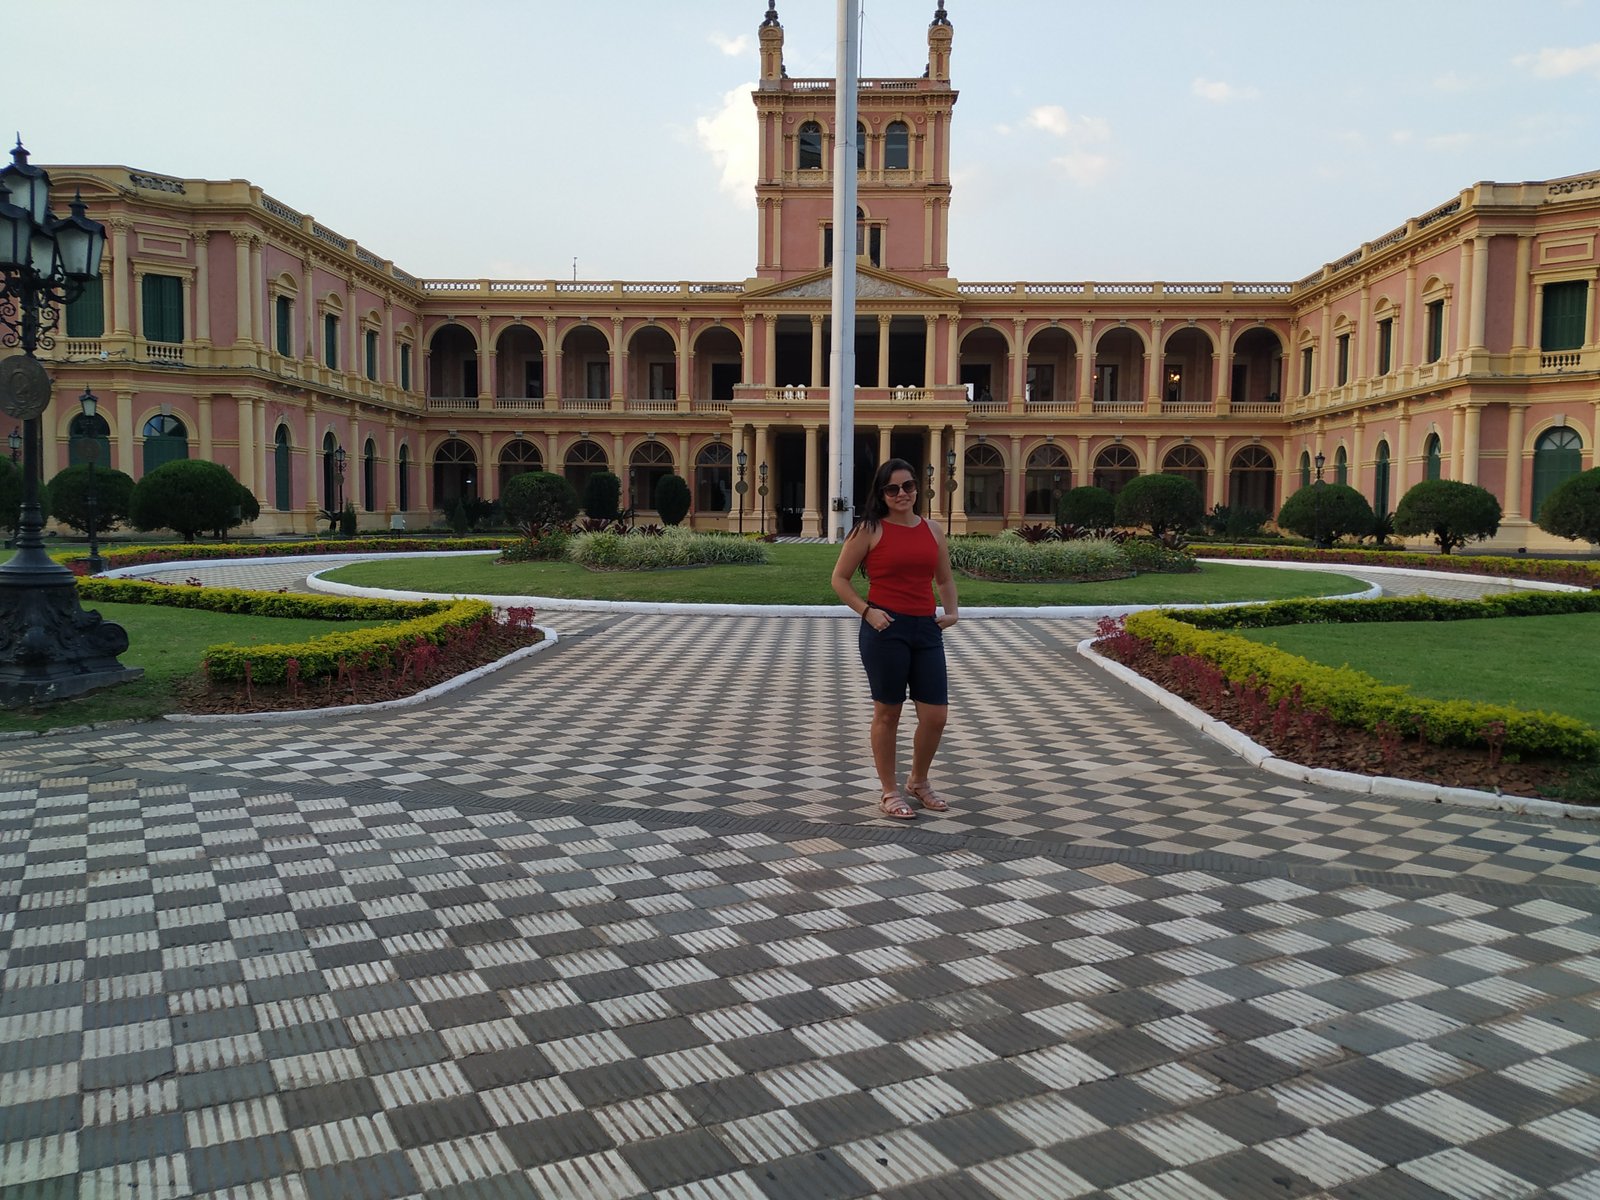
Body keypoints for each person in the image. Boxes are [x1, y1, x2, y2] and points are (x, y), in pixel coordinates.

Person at [830, 458, 960, 820]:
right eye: (893, 488)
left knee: (936, 715)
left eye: (908, 486)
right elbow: (839, 579)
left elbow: (945, 579)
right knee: (888, 712)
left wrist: (951, 612)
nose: (902, 494)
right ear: (882, 494)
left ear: (917, 488)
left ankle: (918, 781)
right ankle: (889, 790)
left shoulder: (932, 529)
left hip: (926, 629)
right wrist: (867, 611)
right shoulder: (869, 529)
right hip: (885, 628)